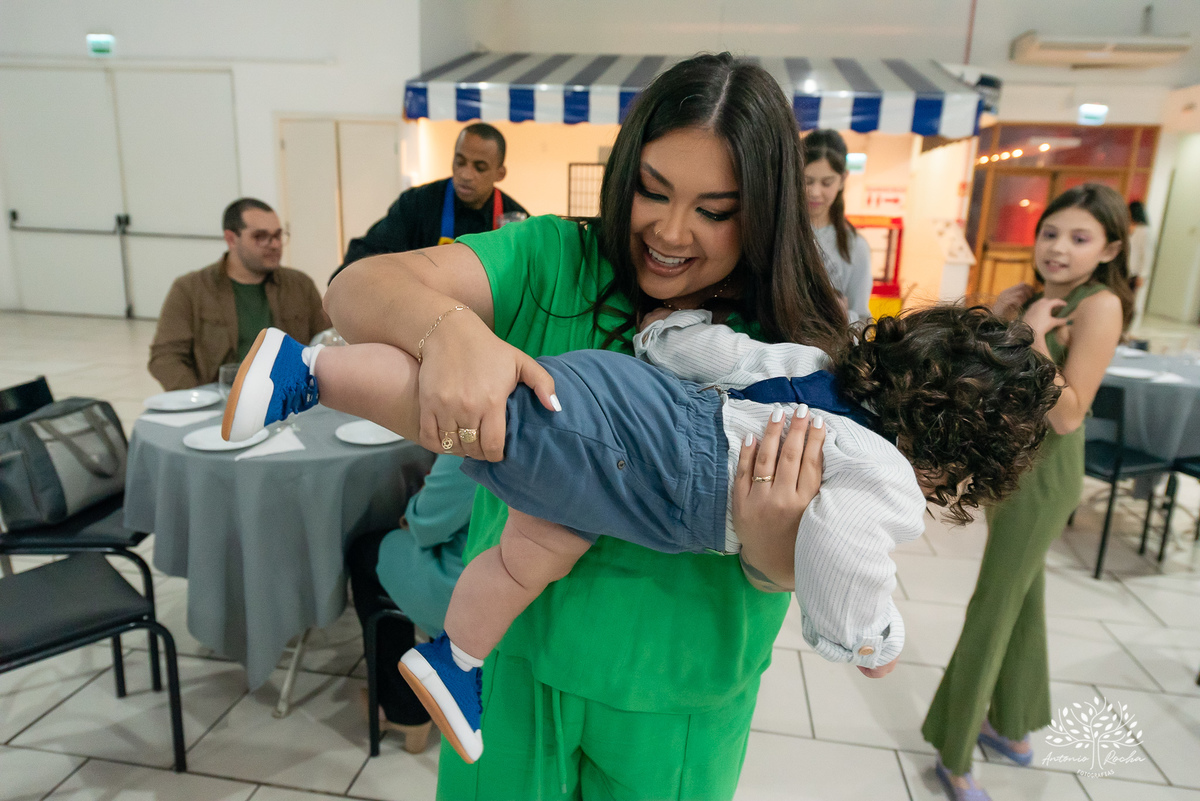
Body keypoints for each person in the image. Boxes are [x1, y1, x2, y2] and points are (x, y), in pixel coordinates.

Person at [322, 53, 846, 800]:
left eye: (714, 210)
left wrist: (773, 542)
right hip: (512, 664)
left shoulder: (792, 343)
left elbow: (801, 558)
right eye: (651, 191)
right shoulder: (555, 260)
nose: (669, 232)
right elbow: (356, 289)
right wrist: (448, 329)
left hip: (678, 695)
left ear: (764, 209)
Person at [223, 303, 1059, 764]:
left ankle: (456, 659)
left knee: (532, 557)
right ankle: (309, 372)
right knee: (456, 418)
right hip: (640, 463)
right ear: (963, 460)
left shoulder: (813, 367)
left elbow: (713, 350)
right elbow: (845, 557)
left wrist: (664, 332)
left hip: (625, 434)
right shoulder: (884, 475)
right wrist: (872, 636)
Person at [921, 184, 1133, 801]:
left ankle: (953, 748)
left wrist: (1034, 335)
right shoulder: (1044, 298)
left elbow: (1068, 414)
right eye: (1050, 233)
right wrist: (1012, 318)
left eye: (1079, 237)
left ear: (1111, 248)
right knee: (1022, 595)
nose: (1058, 248)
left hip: (1045, 478)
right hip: (1016, 468)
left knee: (994, 602)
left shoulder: (1099, 307)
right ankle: (1010, 727)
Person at [345, 453, 472, 754]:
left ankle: (404, 708)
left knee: (364, 552)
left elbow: (428, 523)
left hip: (469, 591)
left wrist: (412, 509)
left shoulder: (476, 433)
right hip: (540, 590)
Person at [147, 198, 329, 390]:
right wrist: (199, 399)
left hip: (289, 399)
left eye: (277, 235)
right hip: (221, 400)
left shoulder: (299, 285)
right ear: (231, 239)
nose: (275, 244)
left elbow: (325, 344)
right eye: (261, 236)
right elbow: (165, 357)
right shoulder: (190, 289)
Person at [328, 123, 528, 282]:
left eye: (480, 167)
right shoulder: (417, 204)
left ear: (500, 173)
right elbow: (365, 253)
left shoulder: (517, 221)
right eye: (460, 162)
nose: (466, 174)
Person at [804, 129, 874, 323]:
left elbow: (862, 321)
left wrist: (842, 315)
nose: (815, 192)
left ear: (843, 180)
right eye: (807, 181)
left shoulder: (854, 246)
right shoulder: (779, 233)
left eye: (827, 182)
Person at [1127, 200, 1153, 329]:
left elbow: (1146, 255)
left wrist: (1142, 275)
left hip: (1134, 273)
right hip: (1124, 270)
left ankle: (1126, 328)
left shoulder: (1144, 231)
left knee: (1129, 302)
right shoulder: (1129, 228)